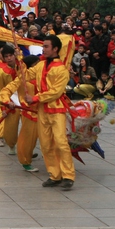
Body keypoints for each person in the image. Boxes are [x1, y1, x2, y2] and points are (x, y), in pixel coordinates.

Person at [23, 35, 75, 190]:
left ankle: (68, 176)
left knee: (61, 142)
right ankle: (55, 174)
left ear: (55, 49)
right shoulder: (40, 65)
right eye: (43, 46)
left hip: (56, 109)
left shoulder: (62, 70)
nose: (43, 49)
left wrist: (35, 97)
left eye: (46, 46)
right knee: (45, 144)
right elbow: (27, 75)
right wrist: (20, 66)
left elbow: (56, 92)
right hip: (42, 110)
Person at [0, 55, 41, 172]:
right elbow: (5, 90)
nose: (40, 65)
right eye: (37, 63)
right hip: (29, 111)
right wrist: (6, 102)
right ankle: (25, 160)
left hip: (43, 111)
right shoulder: (21, 78)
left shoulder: (42, 76)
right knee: (27, 137)